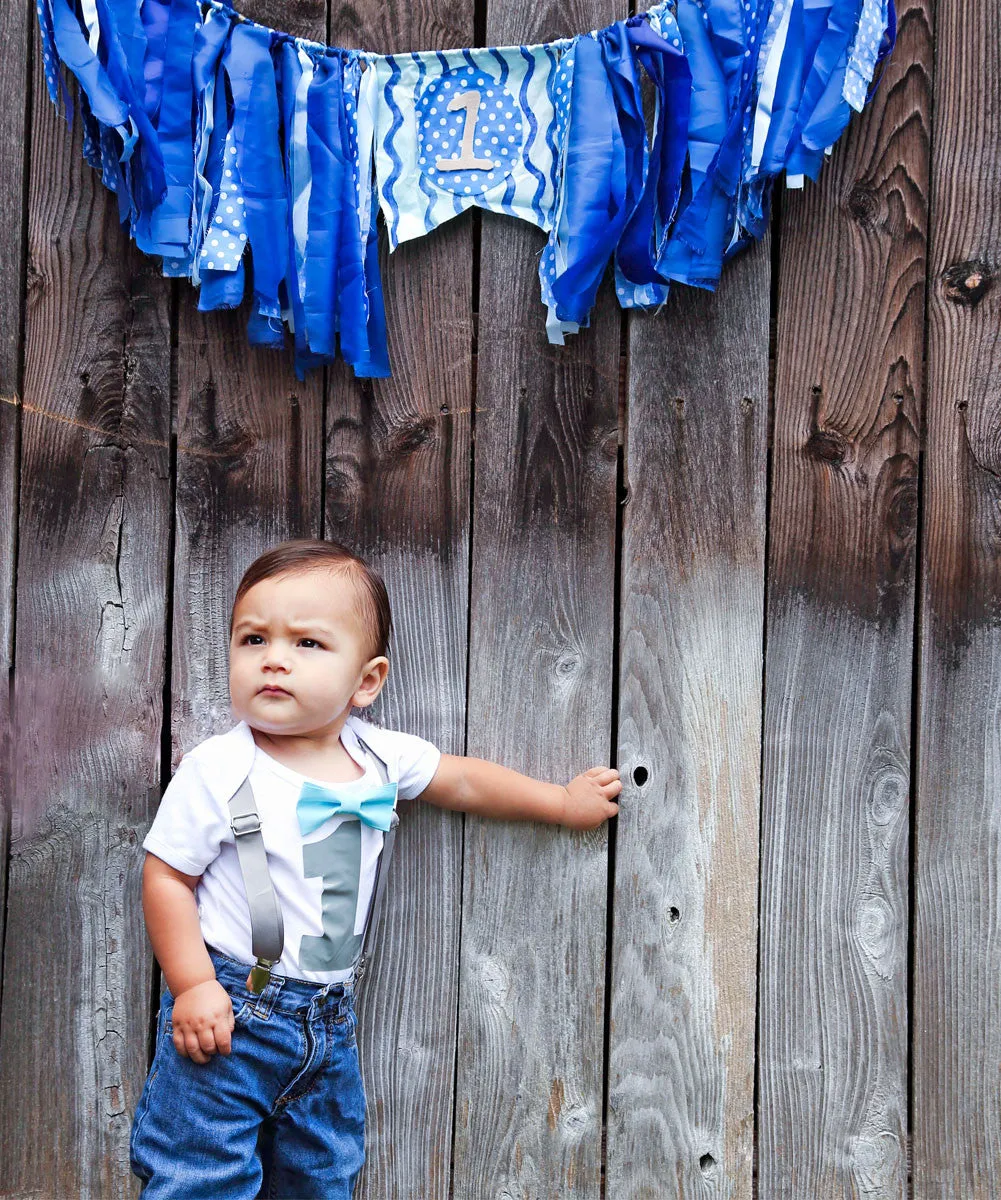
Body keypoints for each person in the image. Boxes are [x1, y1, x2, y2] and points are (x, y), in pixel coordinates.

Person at [130, 537, 622, 1199]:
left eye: (307, 644)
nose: (274, 659)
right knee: (203, 1174)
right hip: (230, 1011)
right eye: (253, 640)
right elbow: (167, 876)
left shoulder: (379, 756)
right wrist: (191, 985)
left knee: (322, 1173)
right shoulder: (220, 768)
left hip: (327, 1019)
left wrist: (560, 803)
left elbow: (465, 782)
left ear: (367, 681)